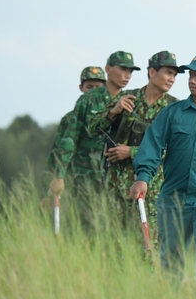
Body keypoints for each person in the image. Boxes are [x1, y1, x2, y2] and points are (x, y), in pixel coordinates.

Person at [128, 54, 196, 299]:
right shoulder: (172, 113)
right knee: (170, 258)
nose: (192, 81)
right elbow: (152, 145)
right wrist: (143, 176)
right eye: (190, 75)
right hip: (173, 200)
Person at [87, 51, 183, 238]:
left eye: (174, 75)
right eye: (168, 73)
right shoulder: (127, 98)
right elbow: (92, 129)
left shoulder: (174, 109)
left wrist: (131, 152)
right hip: (117, 185)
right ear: (152, 72)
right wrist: (113, 112)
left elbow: (176, 150)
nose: (172, 79)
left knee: (148, 243)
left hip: (152, 188)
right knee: (112, 241)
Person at [49, 51, 140, 199]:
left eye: (130, 71)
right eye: (123, 69)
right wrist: (59, 175)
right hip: (85, 177)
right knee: (85, 221)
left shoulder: (131, 101)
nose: (128, 75)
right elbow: (70, 139)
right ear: (108, 69)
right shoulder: (88, 100)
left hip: (117, 179)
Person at [46, 66, 106, 179]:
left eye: (98, 87)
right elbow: (57, 151)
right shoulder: (70, 118)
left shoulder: (114, 115)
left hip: (106, 178)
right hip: (78, 178)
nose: (93, 91)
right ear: (81, 88)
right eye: (89, 87)